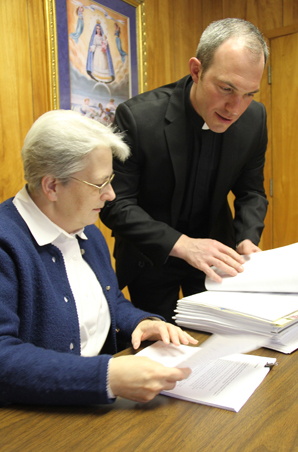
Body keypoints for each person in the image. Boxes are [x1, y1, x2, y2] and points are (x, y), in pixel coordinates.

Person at [0, 110, 197, 407]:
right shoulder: (7, 244)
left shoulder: (86, 231)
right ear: (52, 186)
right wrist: (107, 376)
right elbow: (3, 357)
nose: (111, 195)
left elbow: (110, 300)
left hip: (97, 407)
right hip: (35, 425)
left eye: (111, 180)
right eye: (99, 184)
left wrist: (139, 322)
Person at [100, 18, 269, 322]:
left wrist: (247, 238)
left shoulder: (254, 119)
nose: (235, 107)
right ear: (196, 70)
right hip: (150, 258)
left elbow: (252, 191)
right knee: (159, 350)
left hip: (217, 258)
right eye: (226, 88)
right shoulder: (138, 118)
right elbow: (116, 204)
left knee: (216, 342)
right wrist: (182, 245)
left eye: (249, 94)